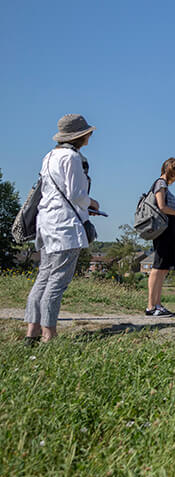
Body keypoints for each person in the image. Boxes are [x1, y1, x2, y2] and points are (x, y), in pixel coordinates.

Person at [23, 114, 100, 345]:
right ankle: (49, 334)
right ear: (80, 136)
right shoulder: (72, 157)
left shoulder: (49, 156)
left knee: (43, 277)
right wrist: (92, 204)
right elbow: (76, 194)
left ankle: (32, 331)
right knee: (57, 282)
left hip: (46, 222)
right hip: (65, 226)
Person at [145, 158, 175, 317]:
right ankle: (151, 306)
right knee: (158, 267)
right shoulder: (161, 184)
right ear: (171, 170)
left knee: (163, 268)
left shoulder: (164, 185)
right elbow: (162, 207)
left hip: (169, 231)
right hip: (163, 231)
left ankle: (157, 304)